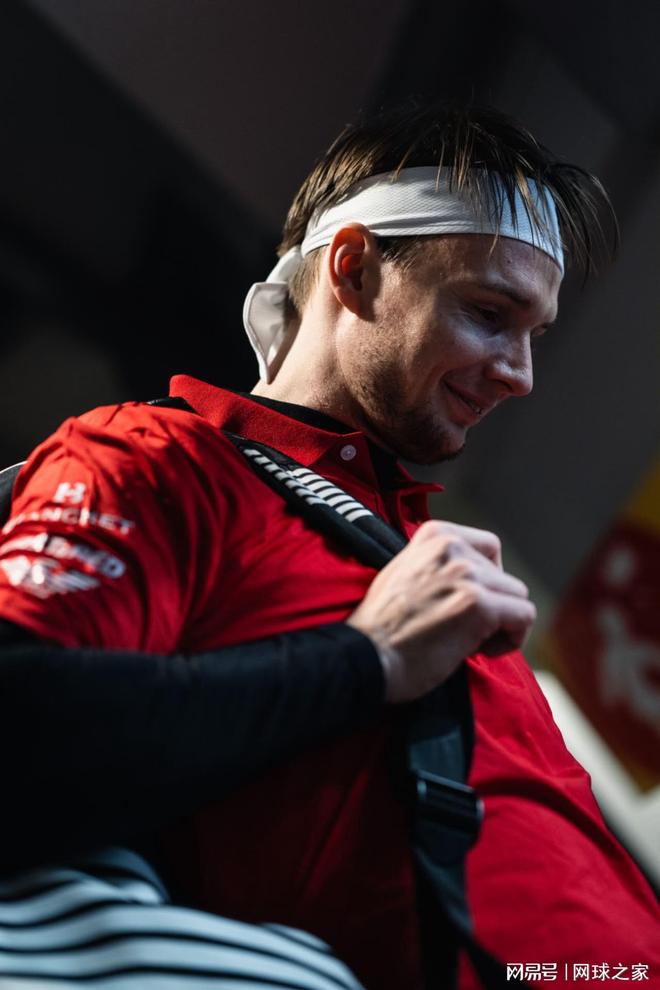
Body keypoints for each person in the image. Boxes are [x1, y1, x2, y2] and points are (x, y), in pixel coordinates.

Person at [0, 102, 658, 990]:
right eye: (488, 312)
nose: (521, 374)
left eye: (534, 335)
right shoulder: (163, 456)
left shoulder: (423, 545)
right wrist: (366, 659)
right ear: (352, 269)